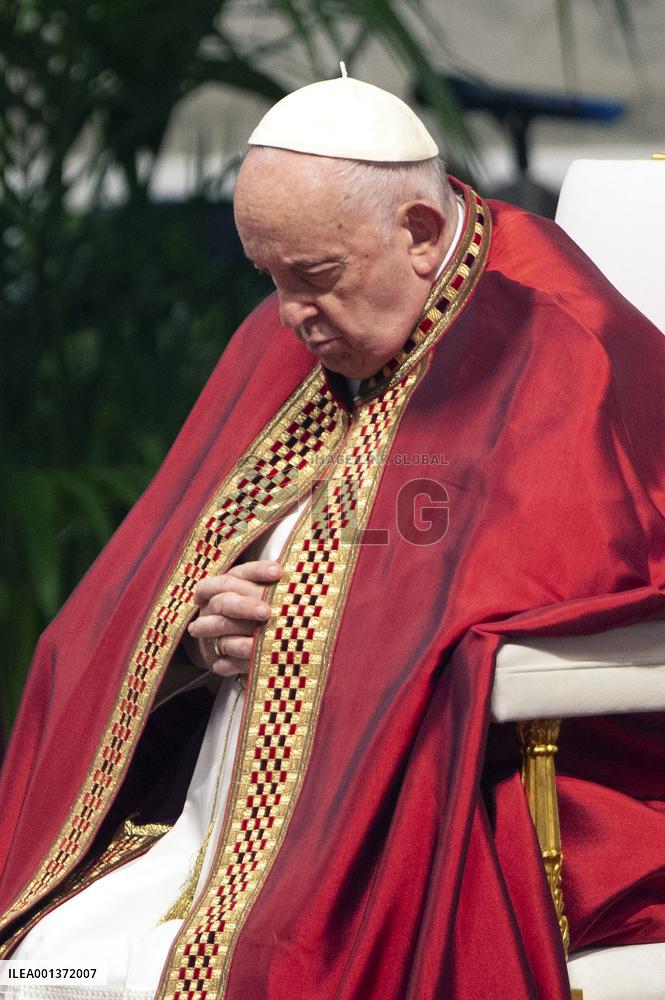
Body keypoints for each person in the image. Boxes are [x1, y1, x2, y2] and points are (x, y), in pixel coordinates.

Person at [1, 71, 664, 1000]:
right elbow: (131, 600)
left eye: (313, 279)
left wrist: (315, 627)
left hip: (447, 807)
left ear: (420, 234)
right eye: (268, 278)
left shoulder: (551, 338)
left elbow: (556, 588)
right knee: (46, 962)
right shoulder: (315, 315)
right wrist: (200, 640)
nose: (286, 318)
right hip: (216, 811)